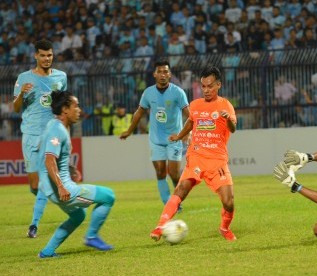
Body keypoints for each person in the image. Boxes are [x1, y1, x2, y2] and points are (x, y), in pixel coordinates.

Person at [150, 66, 238, 241]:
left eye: (210, 86)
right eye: (203, 86)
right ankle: (160, 226)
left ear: (218, 85)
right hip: (196, 157)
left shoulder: (225, 105)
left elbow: (233, 129)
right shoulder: (195, 105)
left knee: (229, 202)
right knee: (181, 189)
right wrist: (180, 136)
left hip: (217, 161)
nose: (206, 90)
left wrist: (227, 118)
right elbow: (191, 122)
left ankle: (224, 228)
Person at [38, 91, 115, 258]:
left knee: (78, 215)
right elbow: (49, 159)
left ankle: (47, 251)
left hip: (51, 188)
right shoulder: (57, 130)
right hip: (62, 189)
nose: (79, 109)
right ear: (65, 109)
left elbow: (50, 154)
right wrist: (61, 186)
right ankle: (92, 236)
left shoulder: (55, 125)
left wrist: (71, 169)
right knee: (109, 196)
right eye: (76, 106)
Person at [13, 39, 68, 238]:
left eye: (50, 55)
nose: (47, 59)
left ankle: (33, 225)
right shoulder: (24, 78)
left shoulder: (61, 76)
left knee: (44, 180)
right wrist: (21, 95)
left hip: (51, 134)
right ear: (36, 55)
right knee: (35, 185)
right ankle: (54, 196)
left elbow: (64, 105)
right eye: (43, 55)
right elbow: (16, 108)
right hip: (30, 133)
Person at [120, 60, 189, 207]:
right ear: (154, 74)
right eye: (160, 72)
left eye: (165, 72)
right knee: (160, 172)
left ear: (169, 74)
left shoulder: (178, 92)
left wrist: (186, 134)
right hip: (156, 139)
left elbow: (189, 115)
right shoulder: (148, 93)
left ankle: (178, 199)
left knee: (174, 174)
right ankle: (168, 204)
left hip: (174, 138)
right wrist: (129, 131)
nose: (163, 75)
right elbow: (139, 113)